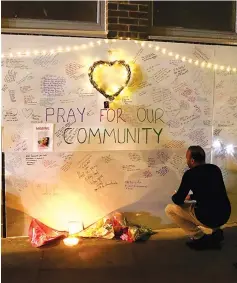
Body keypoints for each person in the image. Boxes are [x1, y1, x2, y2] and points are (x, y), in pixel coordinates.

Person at [165, 145, 231, 250]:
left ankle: (199, 237)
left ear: (191, 160)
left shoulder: (190, 174)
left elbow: (178, 200)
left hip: (207, 218)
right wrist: (190, 196)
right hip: (225, 214)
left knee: (169, 209)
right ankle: (217, 232)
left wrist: (175, 195)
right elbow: (212, 192)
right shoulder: (215, 169)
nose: (186, 160)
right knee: (212, 203)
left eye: (186, 158)